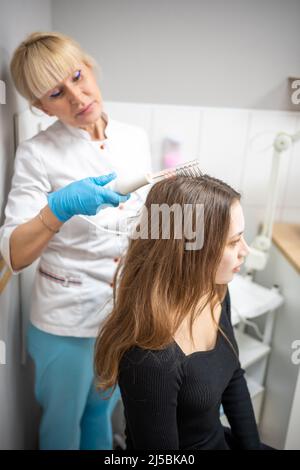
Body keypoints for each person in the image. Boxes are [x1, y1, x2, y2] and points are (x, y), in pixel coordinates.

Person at [0, 31, 151, 450]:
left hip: (120, 315)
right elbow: (14, 252)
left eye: (77, 76)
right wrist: (58, 210)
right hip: (65, 322)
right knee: (62, 429)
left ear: (89, 66)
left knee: (100, 414)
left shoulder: (135, 137)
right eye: (55, 93)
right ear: (39, 107)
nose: (77, 96)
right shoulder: (37, 154)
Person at [94, 174, 265, 450]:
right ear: (192, 251)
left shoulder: (215, 292)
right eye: (233, 243)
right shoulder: (150, 358)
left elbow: (233, 376)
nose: (245, 251)